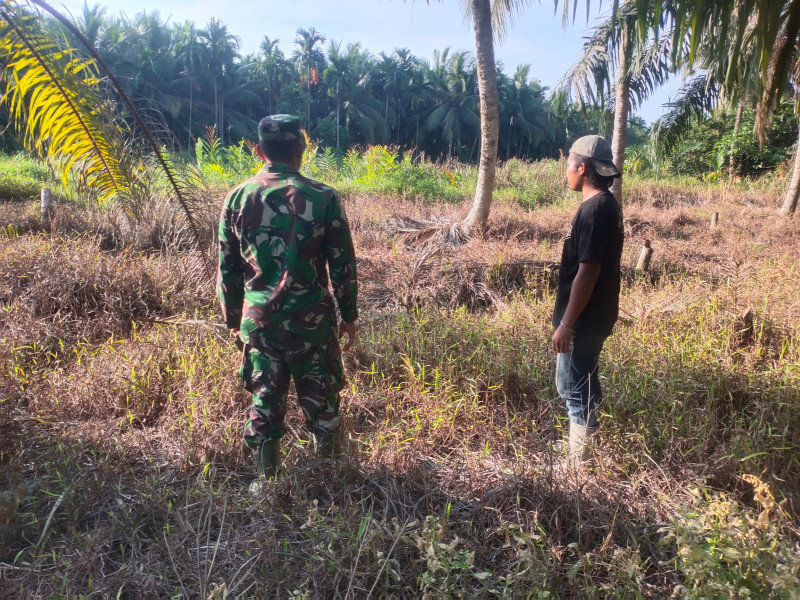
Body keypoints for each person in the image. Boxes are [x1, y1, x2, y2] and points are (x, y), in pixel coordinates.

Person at [216, 114, 358, 486]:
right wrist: (349, 315)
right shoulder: (323, 197)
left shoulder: (238, 197)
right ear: (302, 151)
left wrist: (233, 321)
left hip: (261, 324)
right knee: (322, 403)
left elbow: (227, 269)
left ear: (260, 151)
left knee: (266, 402)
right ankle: (327, 481)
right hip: (313, 324)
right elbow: (343, 263)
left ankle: (267, 482)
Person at [552, 135, 624, 466]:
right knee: (581, 383)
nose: (565, 170)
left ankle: (578, 465)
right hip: (592, 315)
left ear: (581, 168)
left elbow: (589, 271)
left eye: (568, 164)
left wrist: (567, 324)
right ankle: (582, 451)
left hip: (583, 319)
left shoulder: (595, 209)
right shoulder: (603, 205)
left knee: (574, 388)